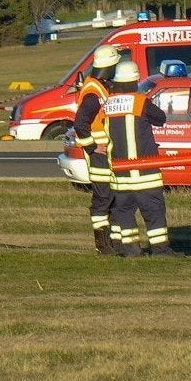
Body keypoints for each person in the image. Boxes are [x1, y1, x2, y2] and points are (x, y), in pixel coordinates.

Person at [103, 59, 178, 257]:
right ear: (135, 80)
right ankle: (160, 250)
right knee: (153, 213)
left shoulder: (108, 104)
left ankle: (130, 250)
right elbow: (160, 118)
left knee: (124, 213)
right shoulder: (139, 101)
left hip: (120, 174)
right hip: (145, 173)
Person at [72, 43, 121, 254]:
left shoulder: (99, 87)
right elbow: (80, 124)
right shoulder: (94, 92)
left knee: (111, 197)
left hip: (105, 155)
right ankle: (102, 244)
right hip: (99, 157)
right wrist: (92, 146)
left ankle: (112, 242)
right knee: (103, 199)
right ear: (109, 66)